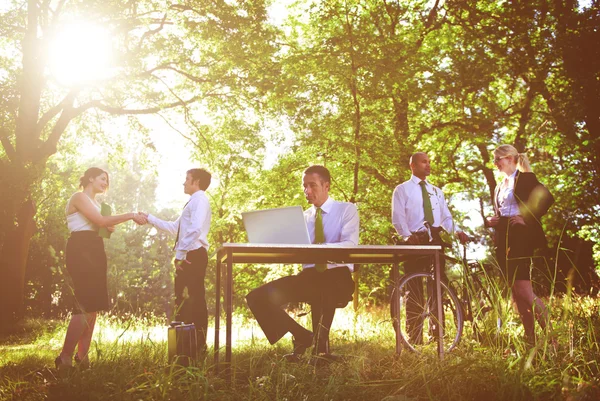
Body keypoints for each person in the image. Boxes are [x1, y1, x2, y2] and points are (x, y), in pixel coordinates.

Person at [246, 165, 359, 361]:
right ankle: (303, 336)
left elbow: (349, 244)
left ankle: (321, 349)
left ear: (326, 186)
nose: (307, 191)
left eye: (312, 185)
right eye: (304, 186)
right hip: (309, 278)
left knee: (326, 284)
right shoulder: (302, 218)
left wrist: (318, 250)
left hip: (337, 276)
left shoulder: (346, 210)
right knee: (256, 297)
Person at [56, 167, 146, 369]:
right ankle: (64, 358)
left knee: (93, 307)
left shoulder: (97, 204)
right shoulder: (78, 197)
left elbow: (102, 226)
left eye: (107, 180)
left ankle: (83, 357)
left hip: (95, 249)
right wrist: (130, 215)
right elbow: (100, 221)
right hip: (80, 249)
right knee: (84, 304)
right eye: (102, 179)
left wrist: (107, 228)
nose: (106, 183)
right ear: (90, 178)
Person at [390, 152, 469, 343]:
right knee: (414, 288)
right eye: (424, 162)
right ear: (413, 165)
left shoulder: (436, 192)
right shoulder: (402, 190)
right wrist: (407, 237)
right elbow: (398, 217)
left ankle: (437, 335)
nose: (428, 165)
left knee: (438, 287)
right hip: (414, 242)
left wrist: (457, 232)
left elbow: (446, 217)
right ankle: (415, 337)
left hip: (435, 241)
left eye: (429, 162)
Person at [485, 144, 554, 344]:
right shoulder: (500, 185)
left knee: (524, 289)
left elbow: (547, 199)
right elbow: (501, 211)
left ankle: (552, 339)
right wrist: (492, 221)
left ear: (509, 158)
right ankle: (530, 338)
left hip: (521, 236)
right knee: (516, 293)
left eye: (497, 159)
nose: (495, 164)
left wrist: (527, 218)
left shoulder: (526, 178)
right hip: (503, 236)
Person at [140, 168, 212, 351]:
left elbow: (195, 229)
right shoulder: (192, 202)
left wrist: (180, 255)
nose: (184, 182)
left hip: (193, 256)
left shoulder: (200, 200)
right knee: (182, 301)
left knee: (194, 300)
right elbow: (174, 228)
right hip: (189, 255)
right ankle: (184, 348)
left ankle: (198, 347)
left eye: (187, 179)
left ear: (196, 181)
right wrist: (149, 218)